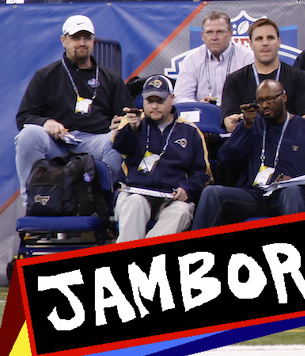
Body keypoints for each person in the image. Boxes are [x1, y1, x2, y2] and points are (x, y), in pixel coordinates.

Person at [14, 15, 128, 206]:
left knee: (117, 140)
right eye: (75, 38)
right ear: (64, 40)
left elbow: (126, 116)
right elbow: (24, 117)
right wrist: (46, 123)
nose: (81, 43)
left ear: (93, 40)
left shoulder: (111, 78)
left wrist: (121, 123)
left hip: (95, 141)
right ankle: (33, 204)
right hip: (57, 141)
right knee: (28, 135)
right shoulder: (46, 75)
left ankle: (107, 206)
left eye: (86, 37)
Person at [193, 78, 305, 228]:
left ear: (284, 97)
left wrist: (295, 182)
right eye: (260, 101)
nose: (265, 105)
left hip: (292, 197)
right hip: (255, 195)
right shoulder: (252, 126)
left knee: (291, 192)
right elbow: (226, 159)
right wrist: (245, 127)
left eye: (270, 99)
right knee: (212, 193)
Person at [110, 75, 210, 243]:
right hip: (136, 192)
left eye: (160, 101)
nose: (154, 106)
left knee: (182, 211)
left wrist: (187, 188)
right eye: (150, 101)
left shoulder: (190, 130)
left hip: (171, 197)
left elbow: (202, 173)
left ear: (172, 99)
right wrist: (132, 129)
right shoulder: (133, 123)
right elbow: (119, 146)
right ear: (143, 100)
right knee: (135, 203)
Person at [219, 17, 305, 123]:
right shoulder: (235, 80)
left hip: (290, 138)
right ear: (251, 44)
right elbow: (229, 123)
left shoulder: (300, 77)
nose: (265, 43)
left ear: (279, 42)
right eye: (259, 38)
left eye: (270, 38)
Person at [174, 9, 255, 104]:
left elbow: (254, 96)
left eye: (220, 32)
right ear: (202, 35)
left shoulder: (248, 57)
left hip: (238, 115)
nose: (214, 37)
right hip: (204, 114)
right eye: (209, 32)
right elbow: (180, 97)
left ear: (230, 34)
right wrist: (200, 105)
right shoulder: (192, 60)